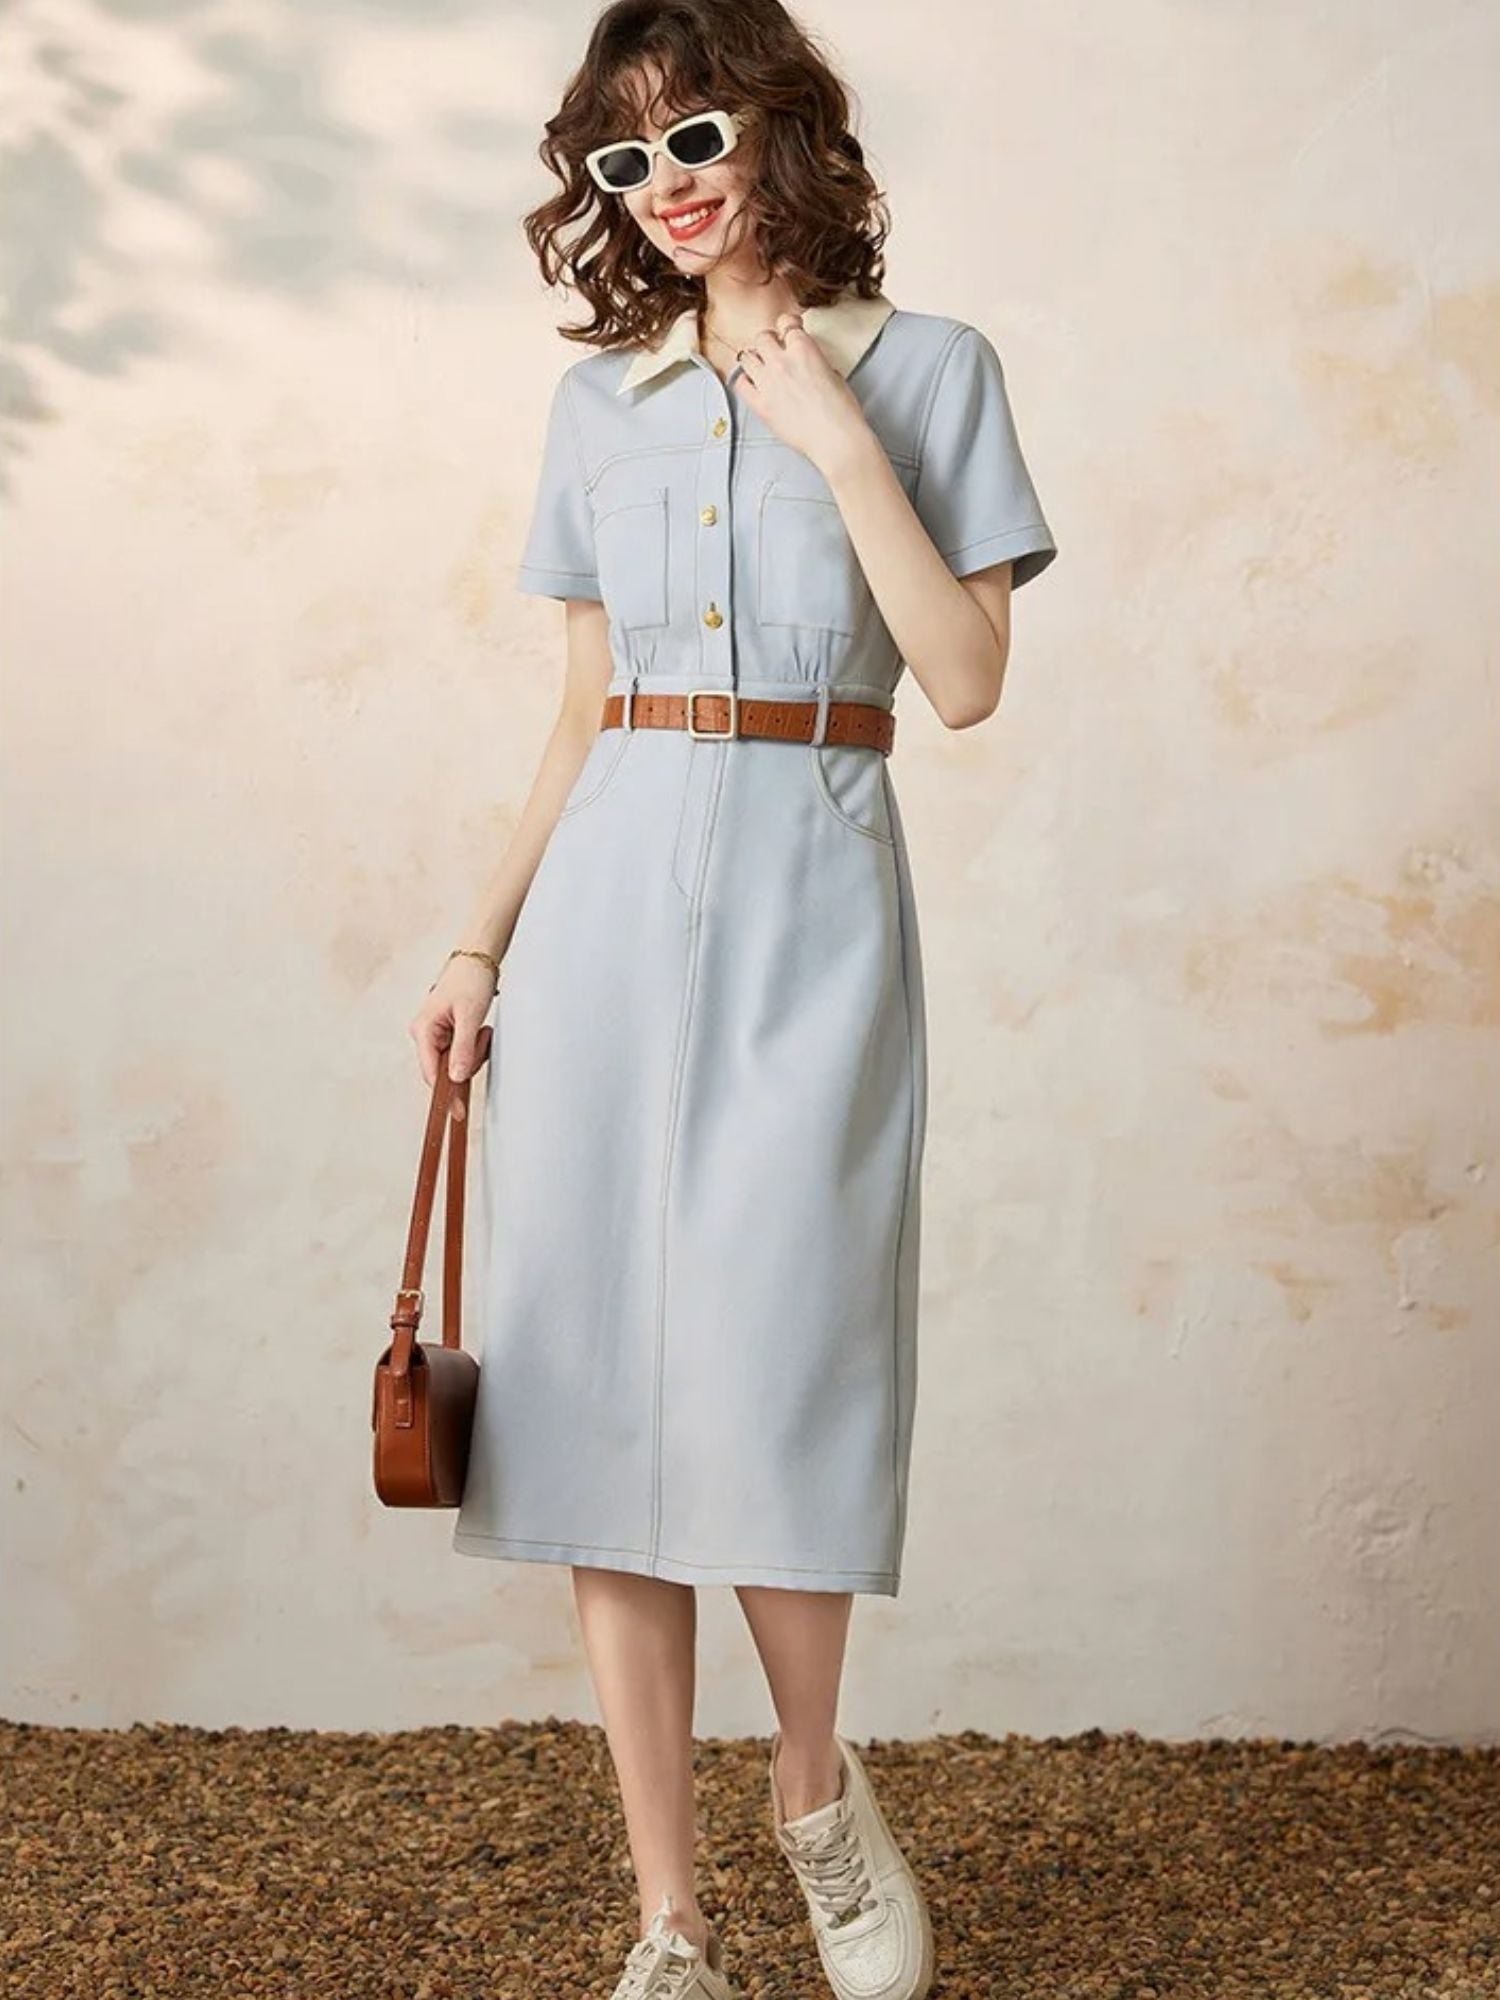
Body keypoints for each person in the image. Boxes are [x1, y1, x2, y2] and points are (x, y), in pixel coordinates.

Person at [408, 3, 1057, 1995]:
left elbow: (959, 679)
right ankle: (668, 1918)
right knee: (597, 1393)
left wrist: (836, 437)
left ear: (776, 125)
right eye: (619, 162)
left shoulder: (935, 371)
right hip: (606, 908)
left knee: (781, 1359)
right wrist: (479, 941)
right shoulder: (595, 405)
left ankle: (812, 1802)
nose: (666, 186)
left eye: (690, 134)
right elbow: (586, 709)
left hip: (811, 888)